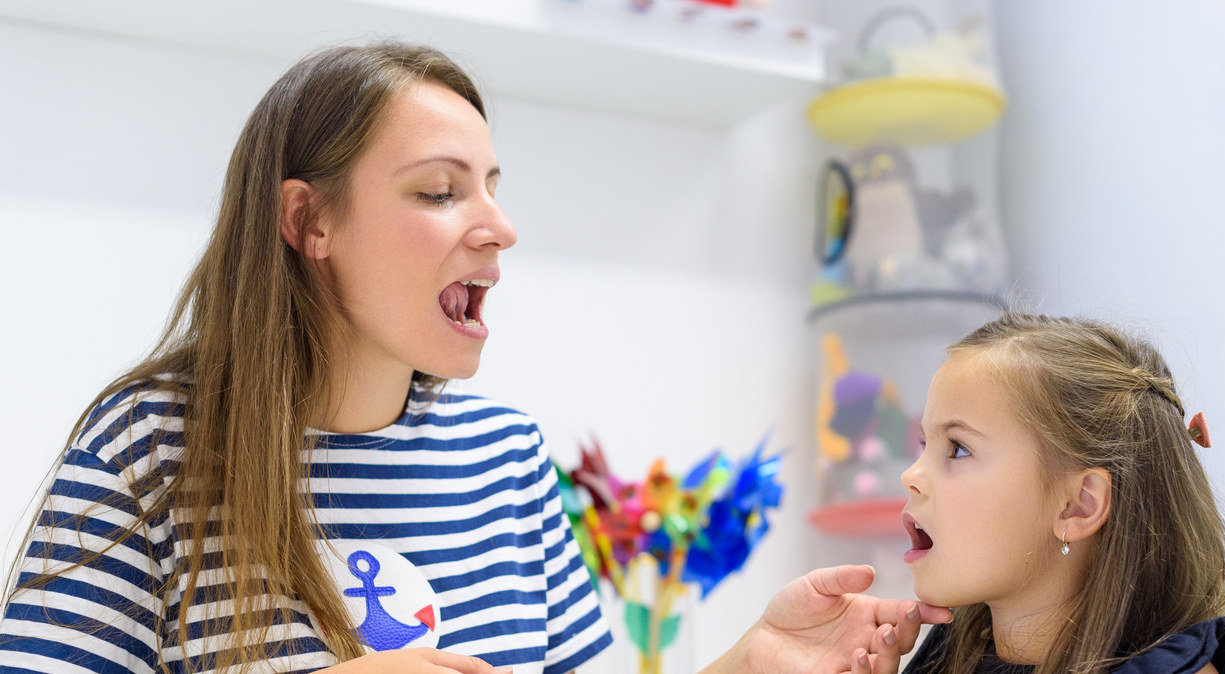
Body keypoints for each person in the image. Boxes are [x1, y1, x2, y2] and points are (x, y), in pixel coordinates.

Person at [0, 41, 950, 674]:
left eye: (491, 187)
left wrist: (752, 660)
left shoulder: (506, 457)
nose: (499, 227)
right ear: (309, 221)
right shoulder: (148, 450)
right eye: (440, 192)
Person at [847, 313, 1225, 674]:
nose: (911, 475)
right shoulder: (947, 658)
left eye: (958, 448)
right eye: (924, 445)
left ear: (1078, 505)